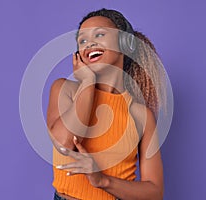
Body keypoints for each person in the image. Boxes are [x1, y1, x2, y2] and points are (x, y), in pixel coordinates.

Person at [47, 8, 166, 200]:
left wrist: (102, 180)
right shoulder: (64, 89)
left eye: (100, 34)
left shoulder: (141, 115)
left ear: (125, 44)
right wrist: (87, 83)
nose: (89, 43)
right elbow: (64, 144)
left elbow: (154, 192)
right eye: (82, 40)